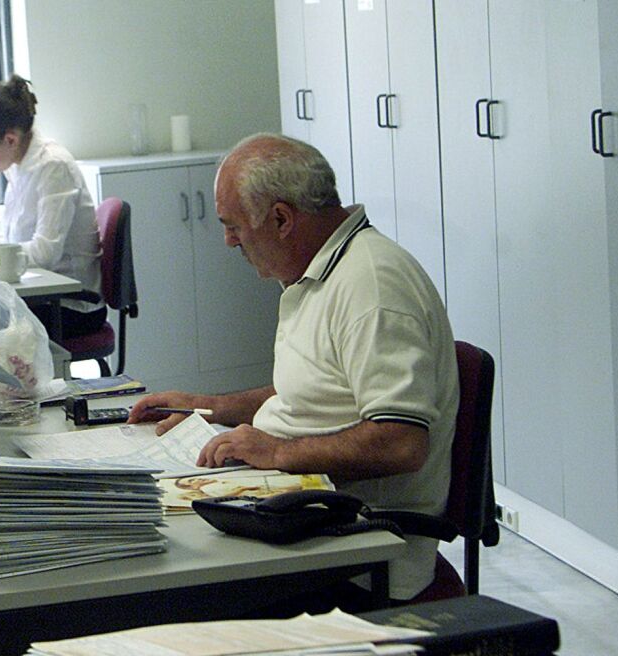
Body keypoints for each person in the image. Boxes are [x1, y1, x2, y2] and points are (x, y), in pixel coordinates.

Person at [130, 133, 459, 606]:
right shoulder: (324, 272)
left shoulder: (372, 287)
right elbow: (314, 392)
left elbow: (401, 441)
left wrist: (278, 452)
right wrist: (214, 407)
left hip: (356, 546)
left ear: (282, 219)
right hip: (300, 511)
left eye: (233, 225)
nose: (228, 241)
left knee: (158, 581)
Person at [0, 74, 104, 338]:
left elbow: (43, 252)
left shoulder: (53, 167)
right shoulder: (18, 167)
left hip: (70, 306)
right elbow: (15, 242)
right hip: (41, 298)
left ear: (10, 139)